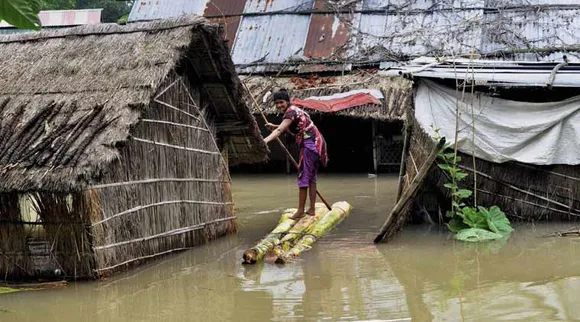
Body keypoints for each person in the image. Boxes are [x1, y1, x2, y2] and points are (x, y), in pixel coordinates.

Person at [263, 89, 328, 220]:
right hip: (316, 144)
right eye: (277, 103)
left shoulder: (291, 112)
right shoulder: (294, 111)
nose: (279, 105)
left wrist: (265, 141)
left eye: (281, 102)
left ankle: (300, 211)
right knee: (311, 178)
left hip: (310, 145)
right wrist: (274, 126)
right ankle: (312, 209)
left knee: (303, 176)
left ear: (287, 101)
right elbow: (290, 126)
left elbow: (282, 129)